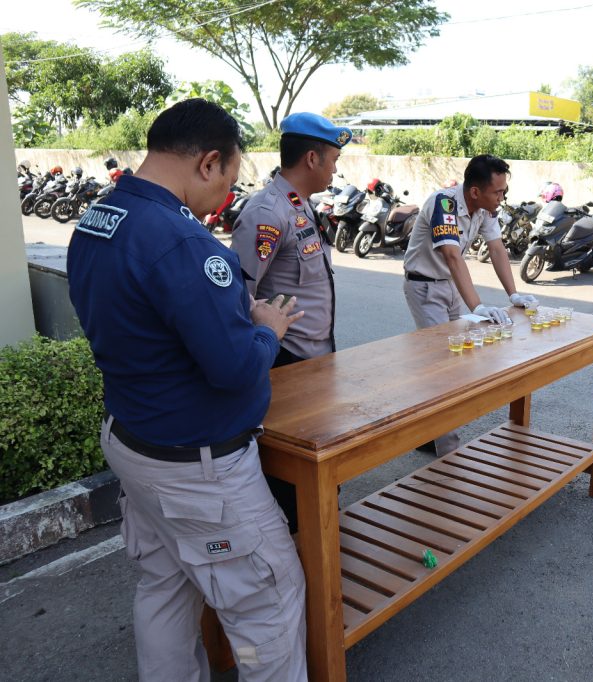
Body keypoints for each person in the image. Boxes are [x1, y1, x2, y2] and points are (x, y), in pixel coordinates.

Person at [66, 98, 308, 681]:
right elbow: (231, 369)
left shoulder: (100, 218)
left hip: (133, 439)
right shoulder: (183, 243)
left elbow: (147, 318)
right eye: (229, 177)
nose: (226, 193)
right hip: (197, 470)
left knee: (167, 586)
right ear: (208, 162)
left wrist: (230, 313)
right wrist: (263, 328)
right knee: (265, 602)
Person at [403, 154, 539, 455]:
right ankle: (448, 454)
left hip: (450, 285)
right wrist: (477, 306)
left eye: (504, 191)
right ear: (475, 191)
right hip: (424, 287)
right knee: (445, 367)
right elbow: (452, 256)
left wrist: (513, 294)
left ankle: (429, 432)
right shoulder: (445, 204)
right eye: (497, 192)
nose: (502, 197)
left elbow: (497, 248)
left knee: (454, 362)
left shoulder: (486, 209)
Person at [231, 111, 353, 367]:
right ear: (311, 159)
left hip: (315, 354)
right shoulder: (268, 213)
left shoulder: (301, 203)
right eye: (334, 159)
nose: (335, 168)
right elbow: (238, 296)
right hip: (286, 357)